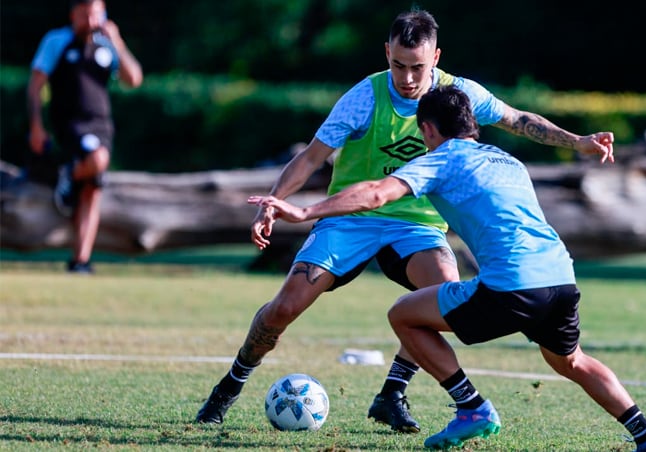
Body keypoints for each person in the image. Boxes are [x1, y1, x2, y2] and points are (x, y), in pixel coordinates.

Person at [195, 9, 615, 431]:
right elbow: (310, 158)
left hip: (417, 224)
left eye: (418, 67)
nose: (408, 78)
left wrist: (578, 142)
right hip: (352, 219)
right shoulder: (365, 97)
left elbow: (517, 120)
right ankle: (229, 387)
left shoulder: (458, 94)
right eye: (398, 65)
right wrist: (273, 202)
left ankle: (392, 393)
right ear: (386, 54)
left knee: (444, 296)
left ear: (436, 57)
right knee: (284, 308)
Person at [256, 86, 646, 451]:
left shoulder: (442, 159)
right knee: (571, 360)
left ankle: (471, 407)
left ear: (428, 130)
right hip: (561, 279)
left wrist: (305, 210)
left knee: (403, 314)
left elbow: (375, 193)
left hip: (510, 286)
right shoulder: (507, 160)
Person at [27, 0, 143, 274]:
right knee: (97, 159)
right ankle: (68, 173)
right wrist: (36, 125)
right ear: (73, 14)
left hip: (101, 125)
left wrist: (118, 41)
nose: (91, 20)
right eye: (85, 14)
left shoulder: (106, 45)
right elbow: (35, 86)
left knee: (93, 189)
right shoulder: (58, 41)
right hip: (70, 125)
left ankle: (80, 260)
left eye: (96, 13)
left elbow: (134, 79)